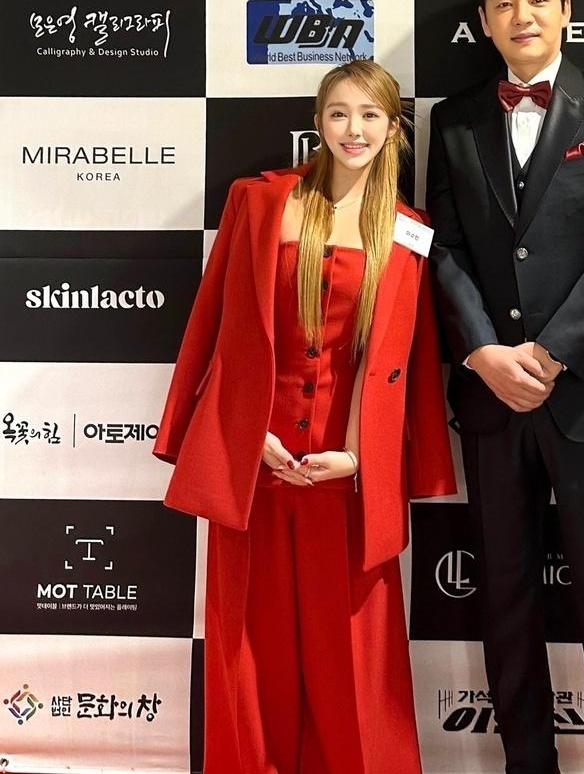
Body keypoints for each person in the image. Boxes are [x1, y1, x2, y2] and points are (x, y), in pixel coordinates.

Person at [154, 59, 456, 774]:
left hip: (345, 478)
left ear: (393, 129)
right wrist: (241, 433)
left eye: (371, 115)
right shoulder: (258, 202)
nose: (354, 129)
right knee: (247, 651)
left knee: (352, 659)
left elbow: (400, 360)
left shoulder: (408, 231)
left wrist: (357, 457)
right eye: (339, 113)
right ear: (317, 122)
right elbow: (217, 326)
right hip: (253, 466)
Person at [425, 0, 584, 774]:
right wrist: (484, 353)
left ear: (564, 10)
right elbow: (444, 250)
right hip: (493, 399)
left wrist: (551, 353)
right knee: (505, 599)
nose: (520, 15)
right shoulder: (453, 119)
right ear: (483, 21)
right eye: (502, 1)